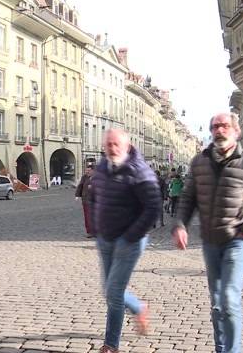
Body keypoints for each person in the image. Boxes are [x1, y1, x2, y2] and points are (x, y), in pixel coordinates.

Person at [172, 112, 243, 353]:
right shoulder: (199, 162)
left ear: (236, 131)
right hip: (210, 240)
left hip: (236, 240)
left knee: (229, 299)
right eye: (215, 126)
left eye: (224, 126)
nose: (219, 130)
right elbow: (188, 198)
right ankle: (221, 348)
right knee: (217, 303)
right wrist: (180, 225)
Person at [89, 129, 161, 353]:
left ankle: (111, 345)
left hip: (129, 241)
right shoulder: (102, 167)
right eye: (108, 144)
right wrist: (97, 225)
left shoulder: (139, 171)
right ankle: (139, 307)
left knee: (114, 291)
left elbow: (153, 207)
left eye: (116, 144)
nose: (112, 148)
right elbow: (94, 196)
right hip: (106, 237)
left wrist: (131, 235)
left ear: (127, 146)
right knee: (108, 290)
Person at [75, 164, 95, 238]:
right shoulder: (84, 177)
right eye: (86, 170)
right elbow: (80, 186)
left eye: (89, 170)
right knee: (87, 217)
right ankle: (89, 232)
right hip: (86, 200)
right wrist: (77, 195)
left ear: (93, 171)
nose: (87, 172)